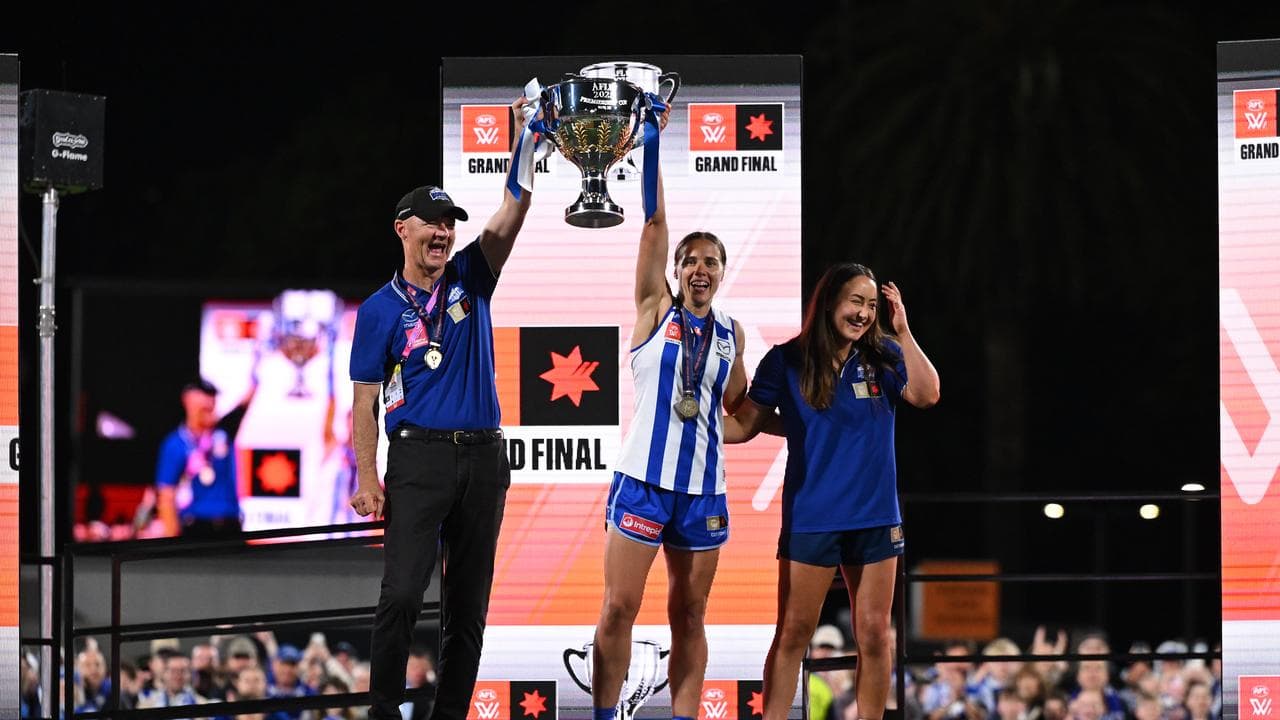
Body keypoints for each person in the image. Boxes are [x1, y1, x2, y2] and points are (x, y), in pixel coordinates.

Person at [348, 96, 535, 720]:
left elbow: (513, 210)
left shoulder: (471, 275)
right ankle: (383, 712)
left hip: (484, 457)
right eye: (432, 222)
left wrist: (526, 139)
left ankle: (450, 715)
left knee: (469, 608)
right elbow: (365, 399)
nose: (443, 232)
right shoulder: (377, 310)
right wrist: (365, 475)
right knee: (400, 594)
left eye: (450, 223)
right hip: (417, 458)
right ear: (402, 228)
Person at [725, 262, 941, 720]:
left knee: (875, 634)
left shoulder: (884, 352)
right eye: (854, 301)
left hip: (878, 518)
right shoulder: (786, 359)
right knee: (794, 633)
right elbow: (744, 424)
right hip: (812, 518)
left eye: (871, 305)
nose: (862, 313)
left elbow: (927, 395)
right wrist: (687, 427)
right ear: (829, 303)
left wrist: (902, 330)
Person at [589, 109, 749, 720]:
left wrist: (786, 421)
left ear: (721, 273)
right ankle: (606, 714)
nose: (700, 270)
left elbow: (732, 413)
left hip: (704, 493)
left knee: (690, 614)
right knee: (618, 608)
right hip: (644, 483)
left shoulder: (733, 335)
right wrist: (651, 137)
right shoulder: (655, 311)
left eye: (711, 262)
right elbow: (654, 222)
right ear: (677, 272)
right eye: (691, 261)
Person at [154, 377, 256, 538]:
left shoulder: (223, 432)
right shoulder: (176, 443)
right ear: (187, 401)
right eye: (204, 401)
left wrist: (257, 373)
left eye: (213, 399)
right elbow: (166, 494)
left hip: (230, 524)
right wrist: (172, 537)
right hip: (195, 525)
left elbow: (244, 404)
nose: (210, 404)